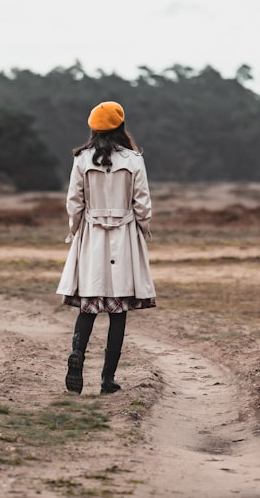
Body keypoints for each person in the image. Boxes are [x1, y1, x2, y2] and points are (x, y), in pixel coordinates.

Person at [56, 100, 156, 395]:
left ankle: (78, 353)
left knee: (88, 306)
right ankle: (107, 379)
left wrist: (74, 231)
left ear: (93, 128)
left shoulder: (81, 159)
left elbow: (74, 202)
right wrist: (144, 229)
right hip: (124, 236)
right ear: (121, 126)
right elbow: (143, 203)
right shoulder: (134, 159)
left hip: (92, 237)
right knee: (118, 311)